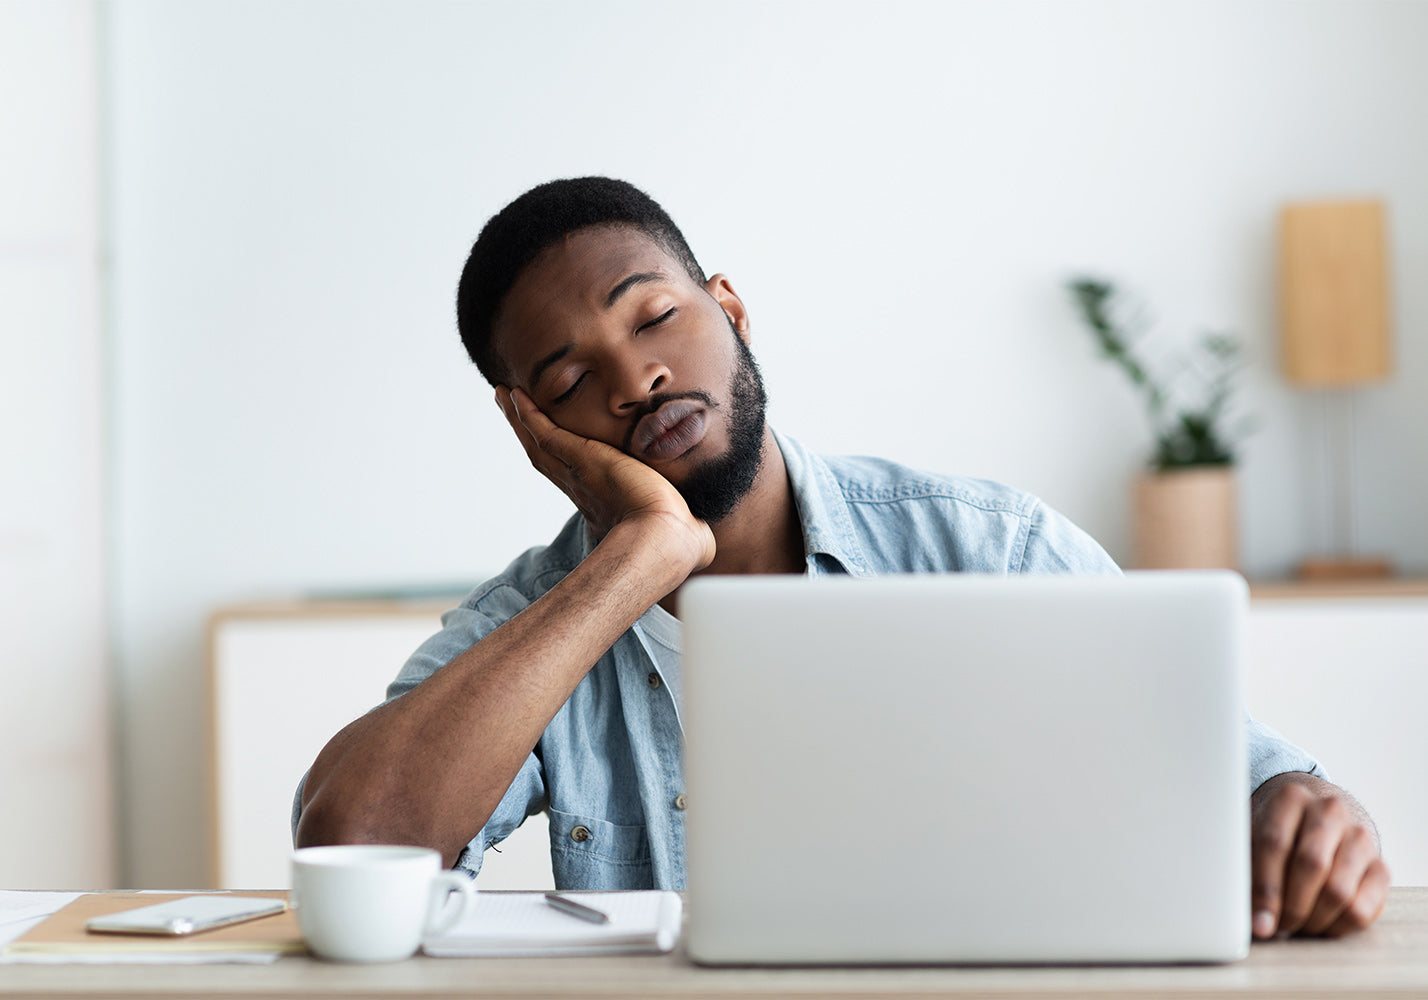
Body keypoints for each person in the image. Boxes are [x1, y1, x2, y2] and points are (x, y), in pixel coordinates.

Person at [294, 177, 1390, 940]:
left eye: (656, 317)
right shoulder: (538, 620)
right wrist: (638, 559)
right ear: (534, 429)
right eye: (573, 380)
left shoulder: (985, 546)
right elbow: (351, 841)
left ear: (731, 310)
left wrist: (1311, 819)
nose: (637, 380)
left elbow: (1258, 784)